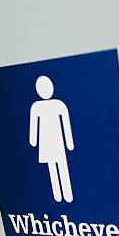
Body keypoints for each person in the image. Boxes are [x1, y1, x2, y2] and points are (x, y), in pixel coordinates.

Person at [29, 75, 74, 203]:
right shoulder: (36, 107)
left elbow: (66, 124)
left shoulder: (59, 105)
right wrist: (33, 141)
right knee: (52, 168)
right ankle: (57, 196)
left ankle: (67, 194)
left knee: (62, 166)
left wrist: (69, 142)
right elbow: (34, 126)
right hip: (46, 143)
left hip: (58, 142)